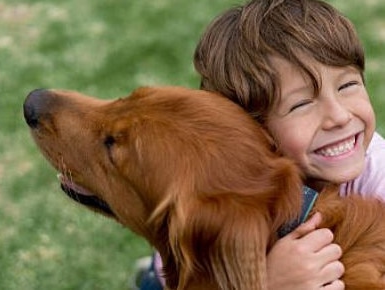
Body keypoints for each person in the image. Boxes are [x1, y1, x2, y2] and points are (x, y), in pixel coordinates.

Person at [135, 0, 385, 289]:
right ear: (255, 131)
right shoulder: (219, 187)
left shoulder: (377, 174)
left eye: (347, 85)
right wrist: (266, 283)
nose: (340, 116)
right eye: (302, 104)